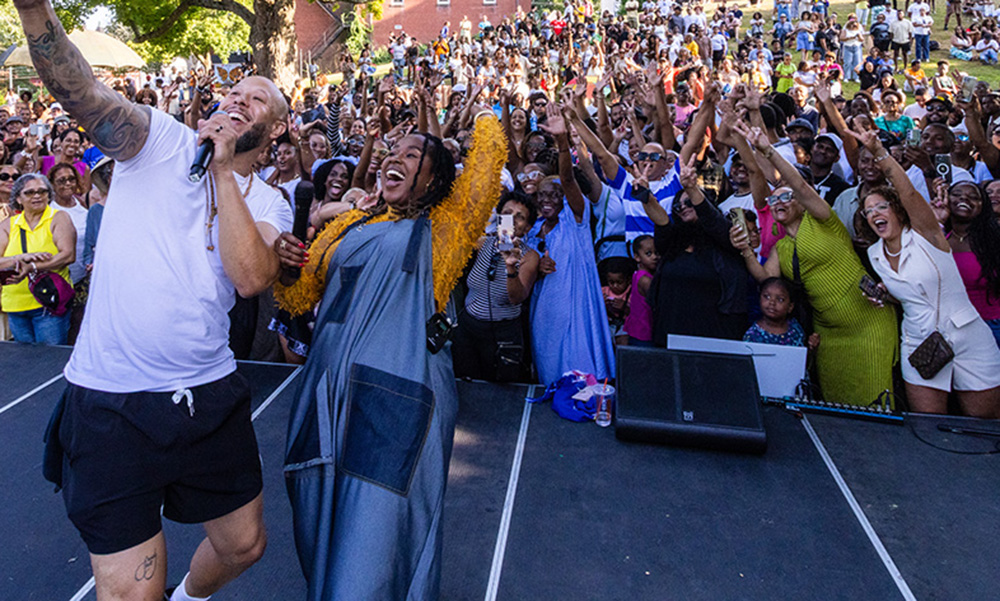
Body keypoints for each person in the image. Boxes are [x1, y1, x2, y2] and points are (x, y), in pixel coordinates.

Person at [15, 1, 292, 599]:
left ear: (275, 132)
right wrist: (35, 12)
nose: (239, 100)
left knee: (244, 545)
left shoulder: (268, 203)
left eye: (258, 100)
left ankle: (190, 597)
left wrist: (223, 174)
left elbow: (250, 279)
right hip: (112, 403)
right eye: (235, 92)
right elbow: (83, 92)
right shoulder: (157, 140)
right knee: (135, 593)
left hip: (208, 395)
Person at [273, 113, 506, 600]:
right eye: (392, 153)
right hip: (324, 397)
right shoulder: (351, 222)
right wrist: (289, 268)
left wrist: (484, 118)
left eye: (412, 155)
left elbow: (484, 173)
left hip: (393, 407)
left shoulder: (445, 231)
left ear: (436, 178)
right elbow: (298, 297)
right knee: (318, 526)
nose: (393, 160)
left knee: (372, 544)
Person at [731, 120, 898, 407]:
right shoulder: (782, 247)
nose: (778, 202)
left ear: (801, 201)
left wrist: (767, 151)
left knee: (875, 405)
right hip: (829, 334)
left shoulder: (823, 220)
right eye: (774, 200)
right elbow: (764, 278)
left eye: (785, 196)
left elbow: (799, 184)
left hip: (867, 323)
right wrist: (745, 249)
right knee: (837, 408)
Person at [851, 129, 1000, 417]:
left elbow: (907, 191)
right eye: (869, 211)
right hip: (919, 342)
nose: (875, 213)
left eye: (882, 206)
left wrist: (879, 153)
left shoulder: (926, 233)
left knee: (986, 426)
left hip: (967, 336)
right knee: (927, 426)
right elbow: (910, 297)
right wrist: (885, 295)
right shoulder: (875, 255)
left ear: (898, 211)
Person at [525, 105, 615, 384]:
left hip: (577, 312)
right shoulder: (534, 230)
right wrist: (537, 266)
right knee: (549, 375)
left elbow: (566, 178)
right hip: (544, 313)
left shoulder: (575, 220)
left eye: (555, 195)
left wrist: (563, 143)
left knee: (579, 379)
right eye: (542, 195)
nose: (548, 199)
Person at [452, 191, 540, 381]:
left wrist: (510, 266)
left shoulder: (529, 257)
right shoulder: (482, 244)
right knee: (466, 386)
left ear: (528, 228)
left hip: (503, 336)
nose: (513, 220)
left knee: (499, 395)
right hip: (468, 330)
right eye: (507, 214)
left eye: (520, 217)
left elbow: (517, 297)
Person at [0, 174, 75, 344]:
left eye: (42, 191)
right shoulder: (9, 224)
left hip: (49, 304)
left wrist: (32, 267)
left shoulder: (58, 217)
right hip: (15, 305)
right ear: (18, 198)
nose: (37, 196)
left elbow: (68, 255)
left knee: (50, 360)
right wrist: (21, 258)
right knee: (26, 364)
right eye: (30, 192)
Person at [943, 180, 1000, 348]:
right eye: (957, 194)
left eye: (973, 197)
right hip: (954, 329)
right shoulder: (938, 239)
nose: (964, 199)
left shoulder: (995, 239)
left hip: (993, 325)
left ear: (983, 206)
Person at [743, 277, 820, 348]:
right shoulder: (753, 334)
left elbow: (801, 357)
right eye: (767, 297)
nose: (772, 302)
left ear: (790, 307)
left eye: (780, 299)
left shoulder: (795, 329)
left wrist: (811, 347)